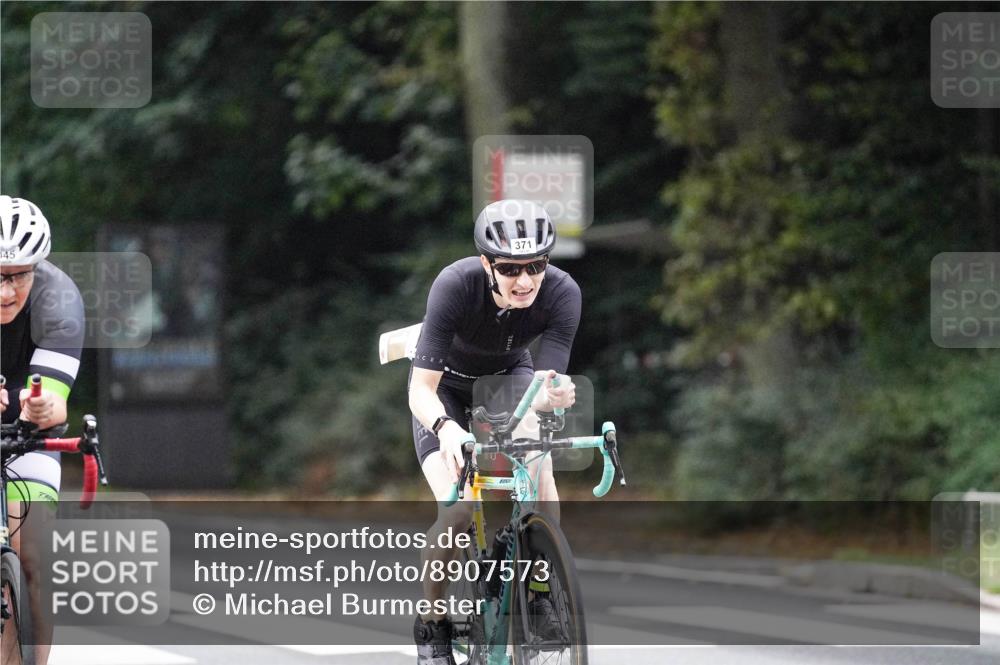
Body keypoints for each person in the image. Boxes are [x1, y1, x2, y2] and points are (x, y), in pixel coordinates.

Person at [408, 199, 581, 664]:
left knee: (540, 467)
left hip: (508, 379)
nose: (524, 281)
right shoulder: (455, 285)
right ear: (486, 263)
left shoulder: (563, 292)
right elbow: (419, 390)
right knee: (460, 512)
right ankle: (433, 625)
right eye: (509, 268)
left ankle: (541, 584)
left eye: (536, 266)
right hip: (444, 390)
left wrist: (555, 395)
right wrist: (446, 430)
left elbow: (545, 383)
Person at [0, 195, 85, 665]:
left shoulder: (59, 298)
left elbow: (53, 399)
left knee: (33, 558)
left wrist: (40, 407)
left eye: (19, 276)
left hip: (20, 430)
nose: (7, 292)